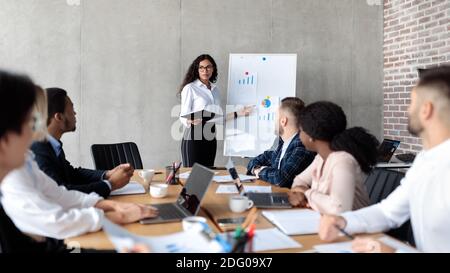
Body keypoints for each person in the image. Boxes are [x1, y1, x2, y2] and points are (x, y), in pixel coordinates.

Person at [319, 66, 450, 253]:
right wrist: (344, 221)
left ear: (426, 110)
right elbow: (388, 212)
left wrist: (395, 252)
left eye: (411, 102)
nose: (407, 109)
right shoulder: (424, 160)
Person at [1, 86, 158, 239]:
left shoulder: (25, 159)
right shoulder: (15, 166)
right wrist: (120, 215)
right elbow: (57, 222)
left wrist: (111, 205)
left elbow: (59, 193)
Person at [30, 87, 131, 198]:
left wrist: (107, 174)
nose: (75, 113)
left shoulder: (52, 145)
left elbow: (72, 174)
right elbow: (61, 192)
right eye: (71, 108)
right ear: (59, 117)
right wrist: (111, 184)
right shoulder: (38, 149)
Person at [288, 101, 379, 215]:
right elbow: (299, 181)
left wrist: (307, 193)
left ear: (311, 136)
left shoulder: (343, 161)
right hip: (329, 224)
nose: (299, 135)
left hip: (358, 230)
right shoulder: (320, 158)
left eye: (301, 131)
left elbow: (338, 209)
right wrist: (301, 194)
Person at [179, 54, 253, 167]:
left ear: (213, 69)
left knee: (207, 173)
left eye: (208, 67)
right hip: (194, 135)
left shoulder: (215, 90)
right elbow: (183, 114)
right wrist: (189, 120)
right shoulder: (190, 88)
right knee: (191, 175)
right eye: (201, 67)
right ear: (197, 69)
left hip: (210, 137)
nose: (205, 70)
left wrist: (239, 113)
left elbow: (218, 117)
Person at [246, 97, 315, 188]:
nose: (273, 122)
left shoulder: (302, 145)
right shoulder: (281, 142)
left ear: (283, 121)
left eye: (275, 117)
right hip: (277, 194)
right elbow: (254, 161)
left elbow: (281, 179)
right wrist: (256, 169)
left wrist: (261, 171)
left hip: (290, 199)